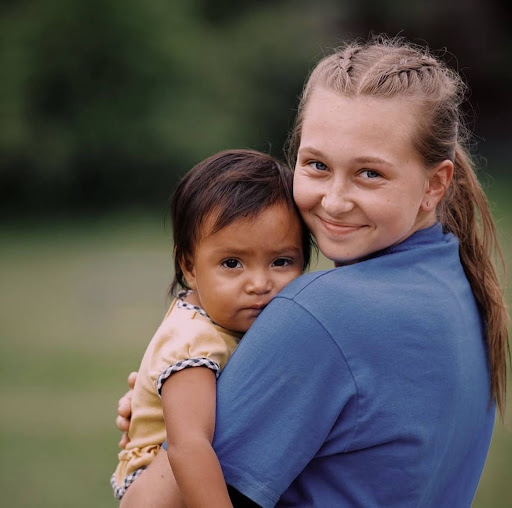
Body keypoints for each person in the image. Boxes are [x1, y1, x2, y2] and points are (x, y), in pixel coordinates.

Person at [116, 36, 509, 507]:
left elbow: (147, 504)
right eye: (317, 165)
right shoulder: (460, 285)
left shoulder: (320, 312)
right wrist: (189, 395)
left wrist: (163, 438)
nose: (335, 201)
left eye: (369, 174)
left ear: (435, 183)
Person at [111, 149, 312, 506]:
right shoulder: (193, 342)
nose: (259, 283)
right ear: (189, 266)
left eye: (281, 261)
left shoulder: (227, 318)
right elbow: (188, 446)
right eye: (232, 263)